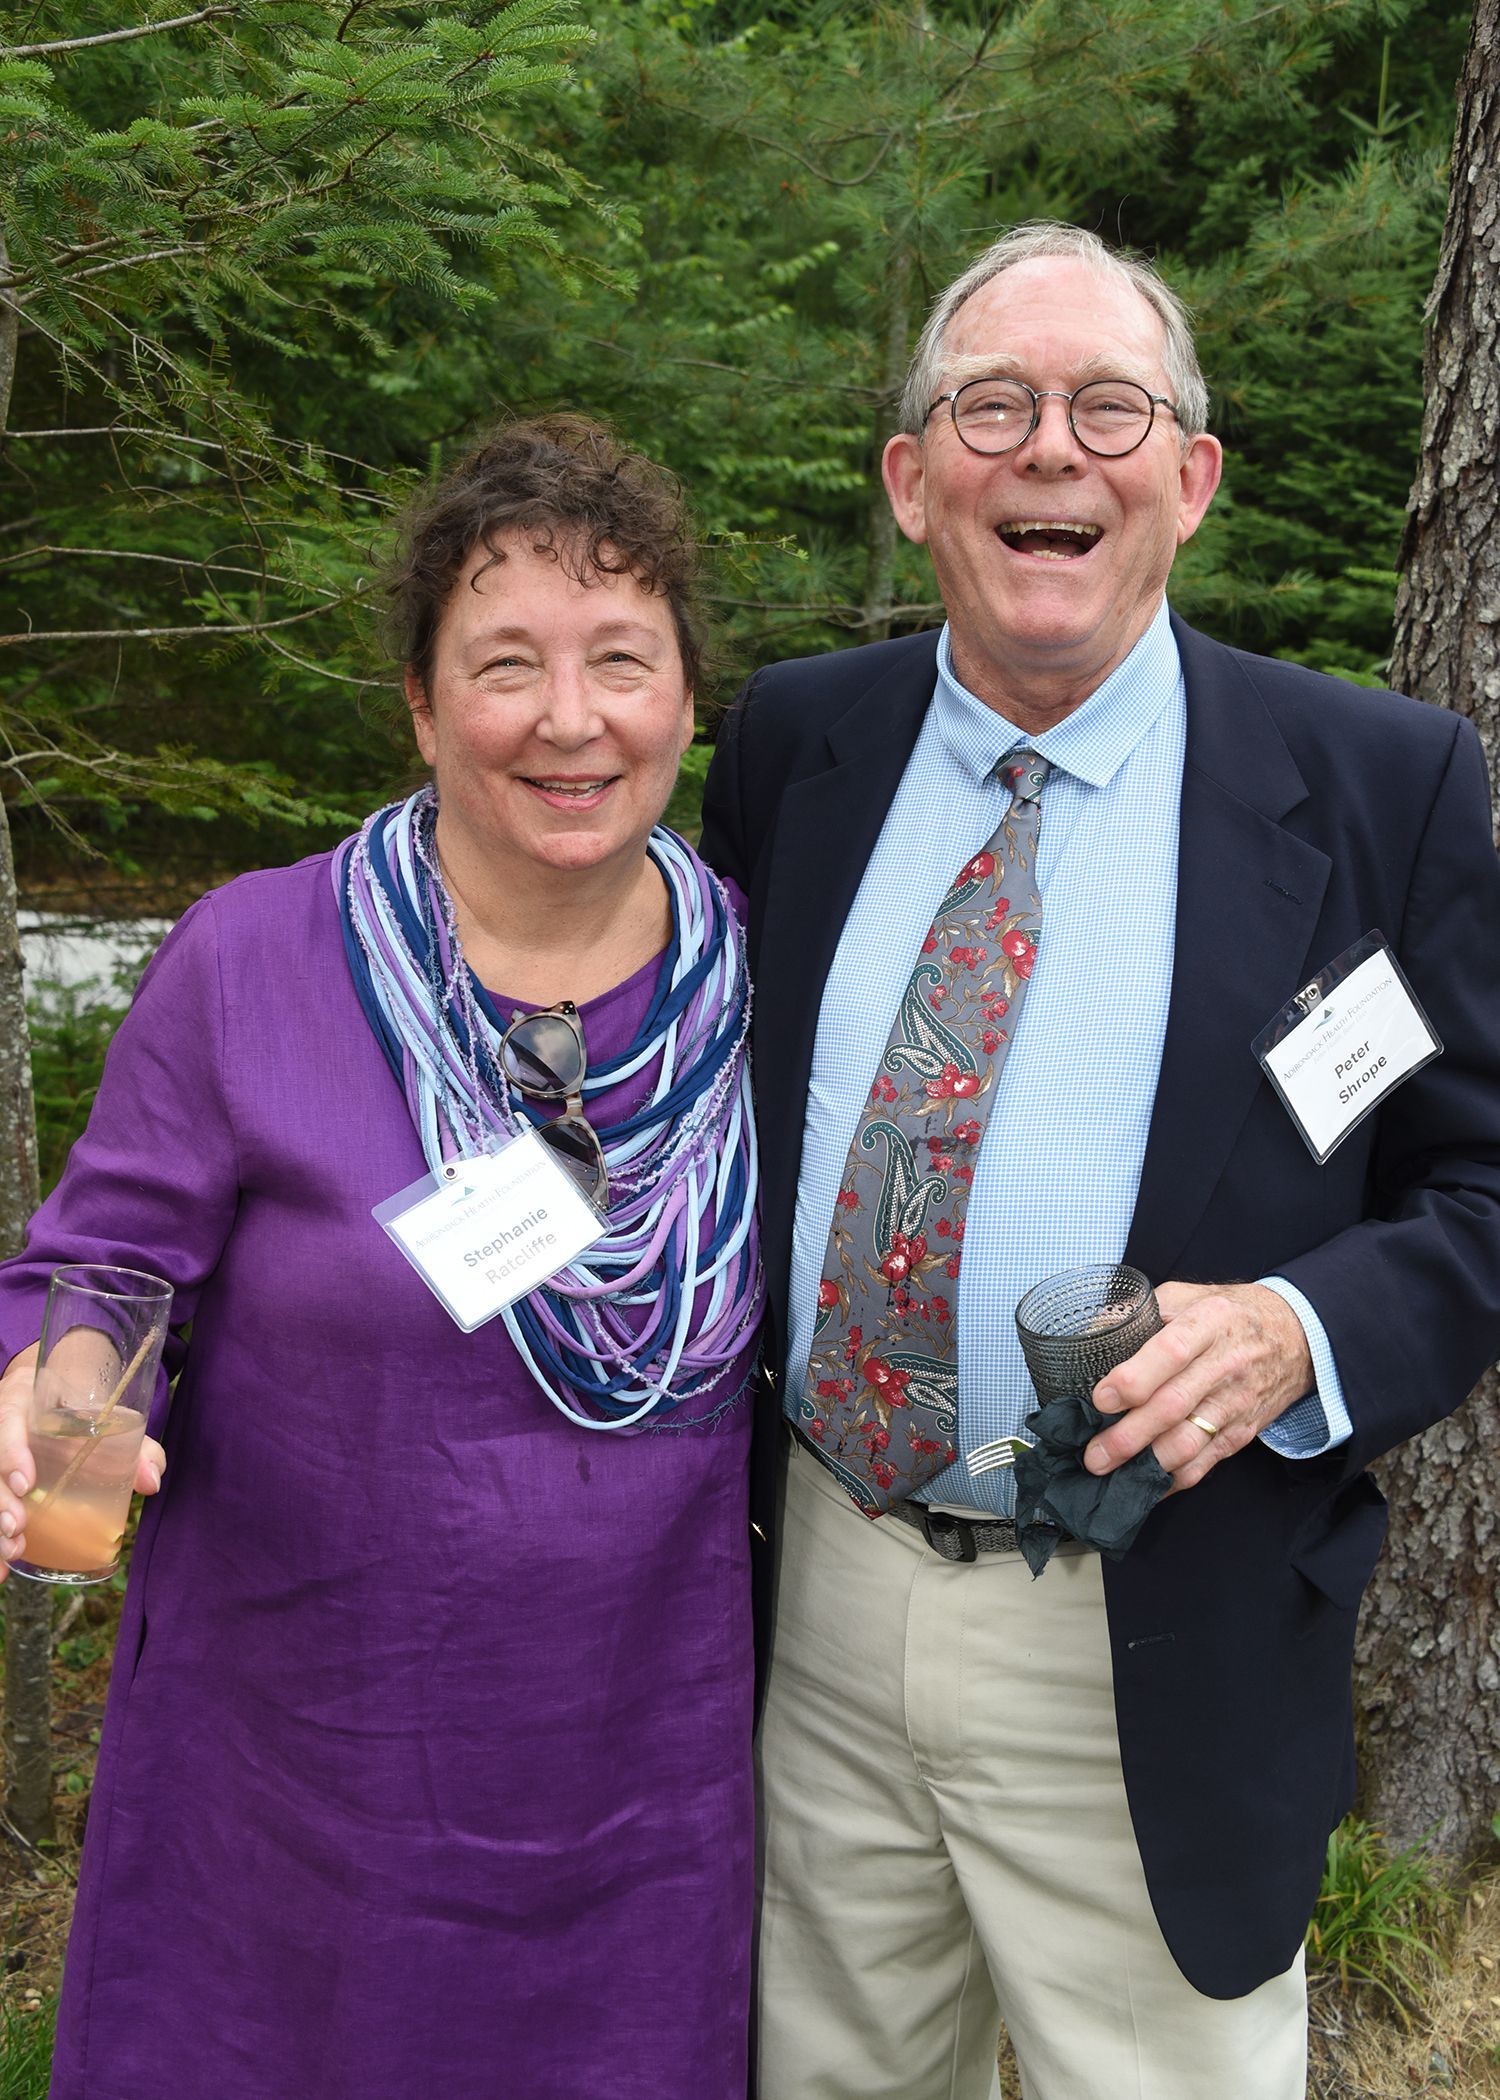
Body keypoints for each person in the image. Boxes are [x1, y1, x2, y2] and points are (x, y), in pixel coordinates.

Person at [700, 222, 1500, 2099]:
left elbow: (1480, 1189)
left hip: (1155, 1625)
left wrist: (1302, 1330)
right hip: (820, 1596)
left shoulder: (1384, 788)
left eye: (1109, 407)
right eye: (992, 406)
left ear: (1191, 480)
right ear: (913, 484)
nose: (1050, 448)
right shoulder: (793, 748)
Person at [0, 416, 763, 2100]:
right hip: (293, 1790)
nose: (572, 719)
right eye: (506, 664)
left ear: (684, 700)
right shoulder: (256, 957)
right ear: (422, 706)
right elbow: (103, 1261)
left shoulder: (762, 984)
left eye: (622, 660)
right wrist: (60, 1403)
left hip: (644, 1793)